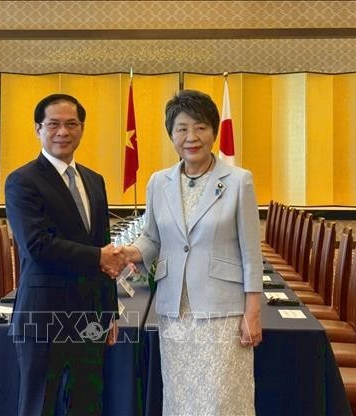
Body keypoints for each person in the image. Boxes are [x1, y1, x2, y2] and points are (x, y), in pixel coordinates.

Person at [118, 89, 264, 415]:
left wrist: (251, 313)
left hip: (222, 312)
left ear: (214, 131)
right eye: (181, 128)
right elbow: (153, 240)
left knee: (219, 401)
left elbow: (251, 253)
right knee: (181, 398)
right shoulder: (158, 182)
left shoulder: (239, 181)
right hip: (175, 310)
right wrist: (128, 253)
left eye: (200, 127)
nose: (191, 137)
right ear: (171, 134)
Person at [5, 93, 125, 415]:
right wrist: (98, 257)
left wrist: (109, 311)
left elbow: (104, 247)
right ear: (38, 129)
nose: (63, 132)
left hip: (91, 316)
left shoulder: (94, 181)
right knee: (39, 404)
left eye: (71, 124)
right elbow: (37, 245)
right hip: (44, 314)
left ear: (82, 129)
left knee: (88, 403)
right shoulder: (22, 181)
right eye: (53, 124)